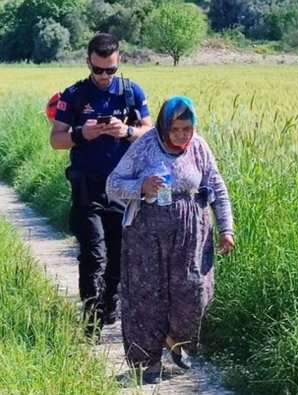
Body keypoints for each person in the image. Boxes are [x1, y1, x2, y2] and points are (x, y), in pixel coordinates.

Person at [106, 96, 235, 384]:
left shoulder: (199, 147)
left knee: (194, 293)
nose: (181, 135)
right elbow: (112, 184)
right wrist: (141, 185)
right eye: (175, 129)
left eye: (186, 129)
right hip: (146, 234)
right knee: (146, 297)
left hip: (192, 233)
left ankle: (176, 340)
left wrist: (227, 229)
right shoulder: (144, 146)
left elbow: (217, 186)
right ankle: (148, 362)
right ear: (164, 127)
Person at [49, 33, 152, 336]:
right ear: (88, 63)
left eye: (111, 70)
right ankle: (91, 316)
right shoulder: (75, 94)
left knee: (118, 253)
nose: (105, 76)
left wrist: (127, 131)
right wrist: (82, 134)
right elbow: (56, 138)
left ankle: (110, 306)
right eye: (98, 70)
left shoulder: (132, 92)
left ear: (119, 62)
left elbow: (150, 133)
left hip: (124, 186)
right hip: (88, 185)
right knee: (93, 253)